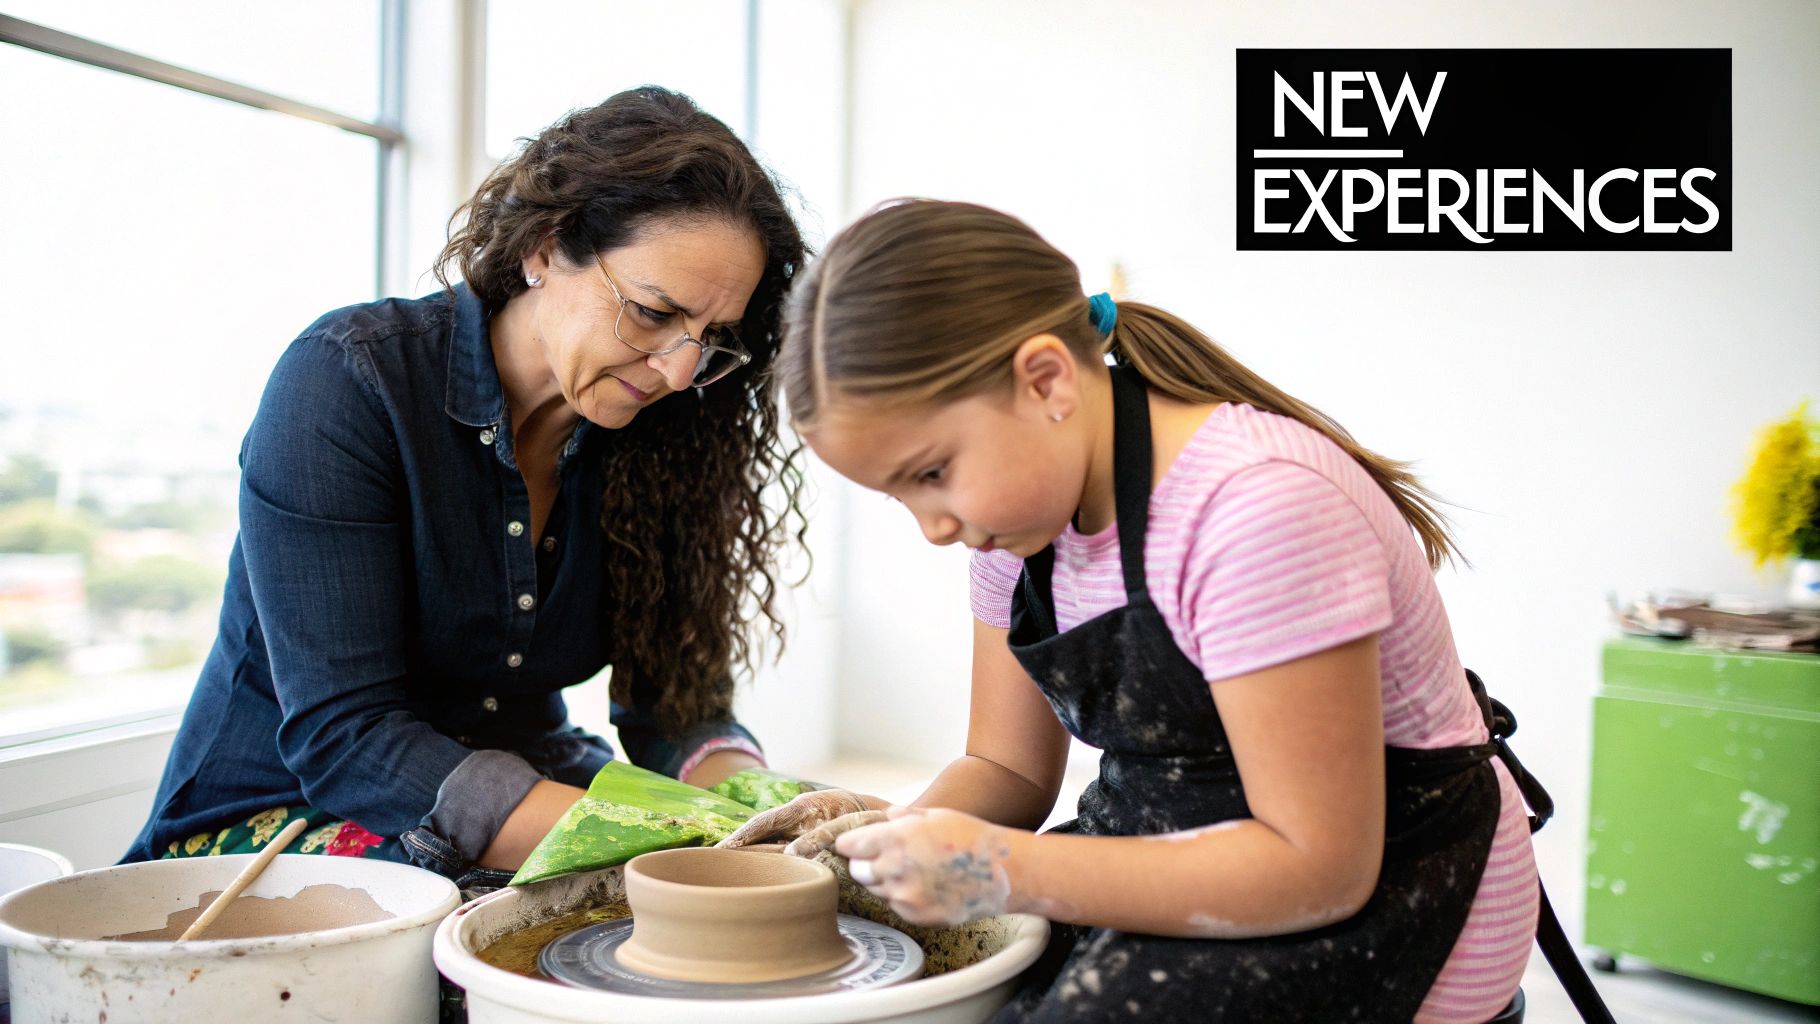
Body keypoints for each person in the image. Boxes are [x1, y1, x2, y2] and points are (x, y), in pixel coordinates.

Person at [726, 199, 1539, 1022]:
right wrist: (876, 833)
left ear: (1046, 380)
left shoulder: (1255, 509)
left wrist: (1000, 868)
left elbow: (1319, 867)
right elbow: (1007, 771)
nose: (933, 529)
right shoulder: (1013, 532)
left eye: (931, 473)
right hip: (1178, 844)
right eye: (897, 494)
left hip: (1392, 890)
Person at [123, 87, 808, 888]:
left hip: (527, 777)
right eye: (656, 312)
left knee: (781, 887)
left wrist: (767, 810)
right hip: (284, 814)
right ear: (546, 248)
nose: (682, 370)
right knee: (578, 945)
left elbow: (677, 708)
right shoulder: (349, 381)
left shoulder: (663, 437)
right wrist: (680, 838)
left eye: (713, 339)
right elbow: (348, 737)